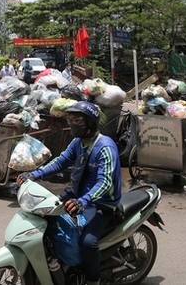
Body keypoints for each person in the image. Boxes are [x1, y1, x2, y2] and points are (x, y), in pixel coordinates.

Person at [17, 101, 122, 285]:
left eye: (77, 120)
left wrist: (84, 200)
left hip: (101, 203)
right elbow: (60, 162)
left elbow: (104, 182)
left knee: (88, 243)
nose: (72, 124)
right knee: (44, 213)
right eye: (70, 119)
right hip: (78, 195)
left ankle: (93, 279)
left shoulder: (105, 147)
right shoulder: (78, 143)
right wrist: (33, 175)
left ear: (90, 123)